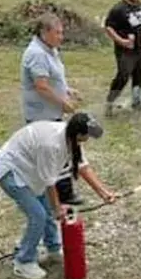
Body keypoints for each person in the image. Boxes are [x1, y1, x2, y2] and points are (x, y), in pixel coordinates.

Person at [0, 112, 119, 279]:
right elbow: (50, 182)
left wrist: (104, 193)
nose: (88, 140)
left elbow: (83, 167)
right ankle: (23, 261)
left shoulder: (71, 138)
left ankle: (53, 248)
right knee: (39, 215)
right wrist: (57, 208)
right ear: (78, 134)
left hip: (32, 171)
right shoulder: (51, 145)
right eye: (88, 136)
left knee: (46, 210)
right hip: (11, 171)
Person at [22, 12, 84, 204]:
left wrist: (67, 90)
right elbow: (41, 86)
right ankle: (61, 195)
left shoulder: (50, 49)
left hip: (51, 113)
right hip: (42, 115)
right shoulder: (37, 54)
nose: (61, 37)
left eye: (61, 32)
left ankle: (60, 192)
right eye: (57, 33)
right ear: (44, 32)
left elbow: (53, 78)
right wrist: (63, 102)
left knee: (59, 150)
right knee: (53, 153)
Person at [103, 0, 141, 117]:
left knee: (138, 75)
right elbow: (108, 28)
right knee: (123, 77)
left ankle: (136, 101)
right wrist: (121, 41)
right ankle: (110, 103)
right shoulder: (118, 9)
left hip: (140, 49)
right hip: (125, 51)